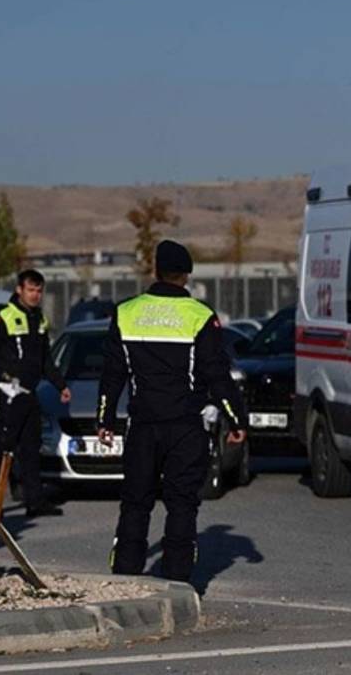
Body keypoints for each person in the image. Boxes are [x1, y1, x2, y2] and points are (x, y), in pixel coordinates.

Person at [97, 240, 247, 582]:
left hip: (142, 426)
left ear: (155, 271)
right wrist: (236, 419)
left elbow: (112, 374)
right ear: (187, 276)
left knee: (136, 502)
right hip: (184, 426)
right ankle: (178, 581)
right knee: (181, 503)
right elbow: (217, 375)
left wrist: (104, 418)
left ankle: (125, 578)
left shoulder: (126, 312)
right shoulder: (199, 316)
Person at [0, 269, 70, 518]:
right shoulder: (2, 318)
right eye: (30, 290)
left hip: (28, 393)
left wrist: (60, 385)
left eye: (38, 290)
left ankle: (34, 500)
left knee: (31, 447)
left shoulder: (39, 320)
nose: (35, 295)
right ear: (19, 290)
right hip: (7, 392)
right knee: (3, 447)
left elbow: (46, 360)